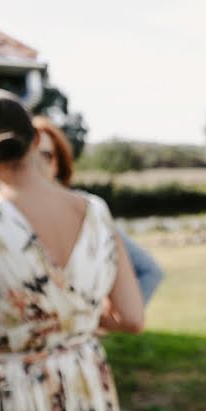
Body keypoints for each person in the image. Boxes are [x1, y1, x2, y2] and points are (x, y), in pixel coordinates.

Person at [0, 90, 144, 411]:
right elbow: (131, 316)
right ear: (37, 141)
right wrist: (75, 321)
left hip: (16, 397)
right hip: (87, 381)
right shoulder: (96, 211)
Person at [33, 117, 164, 305]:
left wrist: (95, 319)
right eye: (27, 155)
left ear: (57, 163)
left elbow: (149, 270)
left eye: (45, 155)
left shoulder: (88, 212)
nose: (34, 165)